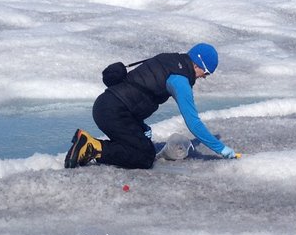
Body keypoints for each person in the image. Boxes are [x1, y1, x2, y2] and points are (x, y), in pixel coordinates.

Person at [65, 43, 238, 169]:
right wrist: (222, 149)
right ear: (197, 64)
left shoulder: (168, 59)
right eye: (206, 73)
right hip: (114, 112)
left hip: (108, 105)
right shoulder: (180, 81)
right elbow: (193, 123)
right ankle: (92, 147)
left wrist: (140, 126)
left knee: (143, 146)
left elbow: (139, 88)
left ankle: (90, 146)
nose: (204, 77)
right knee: (144, 156)